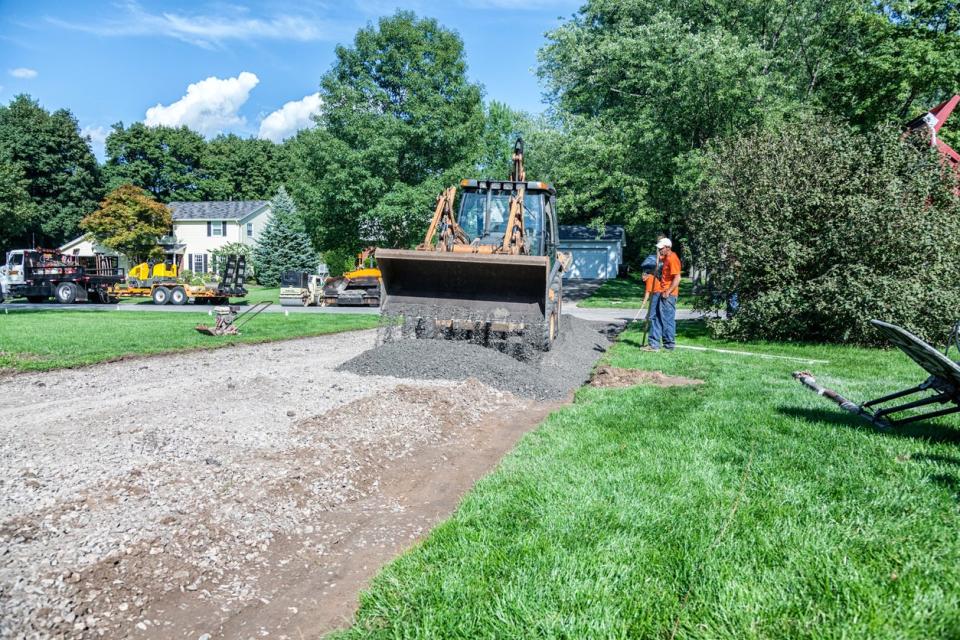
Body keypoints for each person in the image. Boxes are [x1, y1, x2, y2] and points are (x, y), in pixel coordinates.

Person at [645, 237, 681, 351]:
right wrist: (658, 255)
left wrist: (668, 291)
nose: (660, 250)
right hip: (662, 291)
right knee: (657, 318)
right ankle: (654, 344)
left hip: (669, 294)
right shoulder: (665, 257)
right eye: (659, 248)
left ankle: (669, 345)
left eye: (661, 248)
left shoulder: (673, 259)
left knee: (667, 320)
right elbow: (658, 258)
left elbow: (677, 278)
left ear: (668, 248)